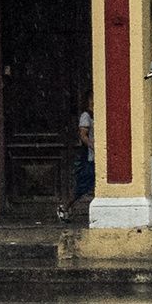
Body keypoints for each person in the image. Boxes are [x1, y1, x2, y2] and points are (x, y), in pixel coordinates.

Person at [58, 93, 94, 221]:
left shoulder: (101, 113)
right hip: (91, 157)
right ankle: (64, 207)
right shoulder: (86, 116)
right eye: (92, 98)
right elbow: (83, 135)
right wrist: (93, 146)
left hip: (101, 157)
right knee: (82, 185)